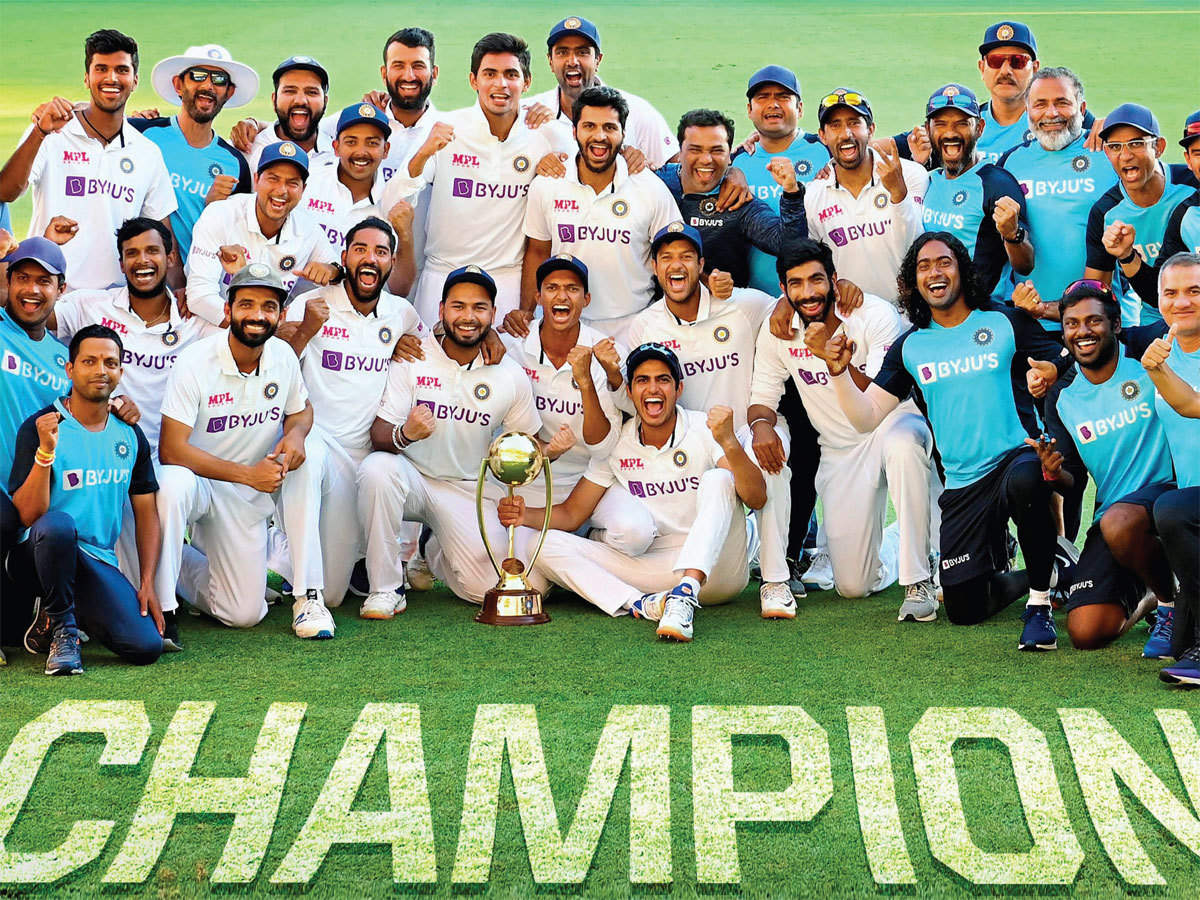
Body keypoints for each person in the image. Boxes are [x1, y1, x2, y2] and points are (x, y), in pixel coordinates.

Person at [828, 232, 1075, 650]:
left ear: (961, 269)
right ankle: (1049, 567)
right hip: (962, 484)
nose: (934, 272)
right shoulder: (910, 347)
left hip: (1016, 458)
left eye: (944, 262)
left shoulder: (1002, 321)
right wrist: (839, 372)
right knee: (964, 609)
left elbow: (1062, 353)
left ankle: (1039, 605)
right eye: (923, 266)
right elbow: (866, 417)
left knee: (1025, 479)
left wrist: (1050, 371)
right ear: (913, 281)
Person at [498, 343, 765, 642]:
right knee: (541, 545)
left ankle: (686, 594)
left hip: (719, 567)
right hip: (660, 569)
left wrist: (729, 442)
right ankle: (641, 604)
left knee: (719, 479)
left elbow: (756, 498)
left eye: (663, 379)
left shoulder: (703, 427)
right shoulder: (617, 444)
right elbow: (572, 514)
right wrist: (523, 515)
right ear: (630, 391)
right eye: (642, 380)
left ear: (679, 388)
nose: (653, 388)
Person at [750, 239, 940, 619]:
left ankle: (920, 575)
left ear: (834, 280)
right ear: (783, 290)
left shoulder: (874, 314)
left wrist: (832, 358)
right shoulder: (780, 328)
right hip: (840, 449)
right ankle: (903, 542)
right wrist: (760, 426)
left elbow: (880, 396)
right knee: (853, 586)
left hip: (892, 423)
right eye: (796, 284)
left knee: (904, 446)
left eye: (817, 280)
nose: (808, 293)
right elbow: (762, 395)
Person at [52, 218, 216, 644]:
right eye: (132, 254)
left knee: (172, 491)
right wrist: (44, 247)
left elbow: (259, 329)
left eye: (152, 251)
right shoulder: (92, 306)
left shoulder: (196, 320)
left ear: (171, 257)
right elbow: (30, 308)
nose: (143, 261)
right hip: (111, 458)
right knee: (110, 570)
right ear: (121, 262)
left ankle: (166, 600)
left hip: (173, 460)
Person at [356, 265, 546, 613]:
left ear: (492, 313)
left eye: (479, 307)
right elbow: (379, 435)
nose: (468, 317)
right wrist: (405, 434)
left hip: (466, 489)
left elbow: (527, 444)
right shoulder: (413, 355)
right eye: (458, 306)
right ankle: (385, 588)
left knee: (486, 590)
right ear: (441, 310)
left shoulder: (509, 373)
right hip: (412, 480)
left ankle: (431, 550)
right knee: (377, 469)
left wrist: (555, 450)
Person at [623, 223, 787, 612]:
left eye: (685, 257)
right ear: (653, 266)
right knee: (712, 490)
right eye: (666, 258)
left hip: (742, 433)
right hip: (690, 441)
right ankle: (708, 568)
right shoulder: (645, 325)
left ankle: (775, 581)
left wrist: (786, 301)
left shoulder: (741, 305)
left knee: (775, 456)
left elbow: (785, 304)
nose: (675, 266)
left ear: (702, 264)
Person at [155, 264, 325, 639]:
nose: (257, 315)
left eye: (268, 307)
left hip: (244, 497)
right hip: (200, 482)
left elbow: (301, 409)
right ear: (228, 310)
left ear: (281, 315)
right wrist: (247, 474)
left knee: (243, 613)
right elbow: (170, 450)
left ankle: (174, 564)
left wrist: (296, 435)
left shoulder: (281, 355)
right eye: (246, 304)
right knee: (172, 484)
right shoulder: (195, 361)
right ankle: (163, 609)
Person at [279, 216, 427, 613]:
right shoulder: (313, 303)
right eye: (360, 249)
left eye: (380, 252)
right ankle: (303, 598)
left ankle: (298, 568)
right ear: (344, 257)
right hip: (318, 440)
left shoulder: (402, 314)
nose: (369, 259)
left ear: (391, 262)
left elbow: (436, 352)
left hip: (361, 455)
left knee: (335, 594)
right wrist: (307, 329)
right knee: (306, 454)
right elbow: (278, 369)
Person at [1028, 280, 1176, 655]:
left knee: (1120, 521)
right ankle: (1152, 598)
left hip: (1173, 496)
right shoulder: (1061, 396)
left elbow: (1183, 320)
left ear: (1115, 324)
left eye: (1093, 321)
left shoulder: (1147, 352)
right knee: (1086, 632)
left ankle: (1173, 607)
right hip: (1117, 519)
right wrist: (1052, 471)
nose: (1083, 331)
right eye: (1072, 323)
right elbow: (1073, 480)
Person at [7, 324, 163, 675]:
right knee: (59, 526)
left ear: (121, 372)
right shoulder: (41, 426)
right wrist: (46, 452)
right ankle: (64, 630)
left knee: (145, 647)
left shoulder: (129, 433)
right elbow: (29, 514)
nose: (100, 371)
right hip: (37, 552)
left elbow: (146, 511)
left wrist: (148, 581)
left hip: (95, 561)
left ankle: (56, 613)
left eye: (110, 362)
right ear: (70, 368)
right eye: (89, 361)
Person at [499, 254, 656, 552]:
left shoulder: (607, 351)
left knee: (635, 533)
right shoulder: (513, 345)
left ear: (586, 299)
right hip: (531, 478)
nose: (561, 296)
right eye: (552, 287)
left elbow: (602, 448)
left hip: (592, 479)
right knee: (523, 570)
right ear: (538, 296)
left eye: (572, 289)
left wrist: (585, 380)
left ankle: (588, 539)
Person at [0, 30, 177, 291]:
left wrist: (177, 295)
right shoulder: (52, 132)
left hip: (112, 303)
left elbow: (163, 236)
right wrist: (40, 132)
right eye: (101, 68)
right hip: (49, 295)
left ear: (135, 80)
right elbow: (6, 191)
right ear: (87, 77)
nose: (111, 78)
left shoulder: (147, 153)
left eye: (122, 70)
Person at [514, 86, 680, 340]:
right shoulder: (547, 185)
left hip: (634, 324)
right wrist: (526, 311)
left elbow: (674, 255)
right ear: (574, 131)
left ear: (624, 134)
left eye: (610, 128)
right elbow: (538, 250)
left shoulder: (650, 188)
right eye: (589, 126)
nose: (599, 136)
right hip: (563, 322)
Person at [998, 67, 1113, 328]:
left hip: (1103, 320)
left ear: (1082, 109)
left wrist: (1117, 126)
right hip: (1032, 321)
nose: (1051, 113)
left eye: (1062, 103)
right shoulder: (1011, 163)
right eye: (1040, 104)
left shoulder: (1108, 153)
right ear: (1027, 111)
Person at [185, 141, 340, 324]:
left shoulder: (308, 228)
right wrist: (252, 329)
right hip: (216, 328)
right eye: (273, 179)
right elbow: (199, 296)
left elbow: (337, 271)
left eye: (292, 183)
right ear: (257, 179)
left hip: (270, 332)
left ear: (303, 190)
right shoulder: (221, 214)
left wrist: (333, 271)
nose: (281, 190)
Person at [654, 108, 806, 288]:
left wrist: (791, 193)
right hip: (660, 311)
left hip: (726, 309)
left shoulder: (738, 200)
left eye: (717, 150)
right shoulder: (656, 183)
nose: (706, 159)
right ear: (679, 153)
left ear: (729, 156)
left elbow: (789, 245)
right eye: (695, 150)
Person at [804, 89, 927, 304]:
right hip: (852, 321)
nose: (846, 134)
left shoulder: (911, 174)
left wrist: (899, 193)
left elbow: (918, 247)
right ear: (822, 136)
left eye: (854, 123)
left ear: (871, 130)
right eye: (835, 125)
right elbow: (817, 269)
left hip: (912, 316)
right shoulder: (813, 194)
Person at [1139, 253, 1200, 685]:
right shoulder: (1160, 343)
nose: (1182, 302)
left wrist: (1156, 371)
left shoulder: (1157, 360)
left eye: (1195, 291)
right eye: (1171, 293)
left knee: (1171, 509)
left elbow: (1192, 405)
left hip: (1190, 506)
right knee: (1178, 645)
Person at [134, 44, 256, 258]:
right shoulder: (143, 132)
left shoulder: (235, 164)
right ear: (178, 85)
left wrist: (214, 208)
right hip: (139, 275)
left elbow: (239, 236)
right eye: (198, 76)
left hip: (198, 281)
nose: (208, 85)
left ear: (229, 92)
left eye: (219, 79)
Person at [1085, 104, 1197, 326]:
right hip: (1155, 320)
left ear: (1159, 147)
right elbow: (1095, 291)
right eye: (1115, 146)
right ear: (1106, 152)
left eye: (1136, 143)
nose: (1126, 155)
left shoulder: (1190, 184)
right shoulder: (1105, 213)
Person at [920, 84, 1032, 297]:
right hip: (935, 314)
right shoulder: (927, 180)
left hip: (982, 315)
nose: (950, 133)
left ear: (980, 128)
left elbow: (1025, 264)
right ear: (928, 129)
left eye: (962, 124)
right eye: (941, 124)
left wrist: (1012, 234)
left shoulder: (997, 183)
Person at [524, 16, 677, 168]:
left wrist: (644, 169)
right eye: (562, 52)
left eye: (582, 52)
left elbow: (677, 169)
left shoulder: (638, 111)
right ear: (550, 61)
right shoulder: (529, 114)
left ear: (598, 60)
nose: (572, 61)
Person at [732, 65, 830, 296]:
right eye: (763, 97)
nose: (773, 104)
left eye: (783, 97)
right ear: (749, 109)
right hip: (756, 300)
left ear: (800, 108)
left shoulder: (826, 150)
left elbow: (865, 149)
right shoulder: (737, 163)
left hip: (819, 296)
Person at [300, 103, 417, 296]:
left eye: (372, 143)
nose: (361, 152)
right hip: (294, 306)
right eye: (351, 142)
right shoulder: (308, 179)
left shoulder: (392, 200)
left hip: (358, 317)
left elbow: (400, 289)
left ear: (386, 150)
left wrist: (405, 236)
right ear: (336, 147)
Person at [890, 21, 1041, 166]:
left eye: (1018, 61)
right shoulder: (965, 120)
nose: (1005, 71)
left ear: (1035, 68)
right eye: (995, 61)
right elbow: (879, 147)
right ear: (982, 68)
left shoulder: (1050, 125)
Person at [240, 56, 334, 172]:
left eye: (311, 92)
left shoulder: (339, 153)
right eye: (290, 91)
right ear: (274, 100)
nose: (300, 100)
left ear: (325, 101)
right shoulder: (247, 151)